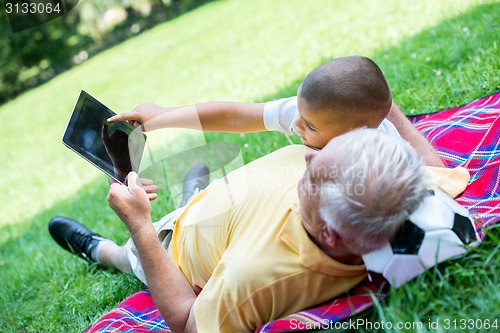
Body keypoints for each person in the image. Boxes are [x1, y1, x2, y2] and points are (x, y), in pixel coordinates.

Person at [49, 128, 431, 333]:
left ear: (329, 236)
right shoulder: (399, 185)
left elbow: (187, 323)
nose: (310, 155)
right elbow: (439, 173)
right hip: (228, 210)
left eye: (313, 173)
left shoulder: (254, 277)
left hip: (177, 246)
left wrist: (140, 224)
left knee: (130, 254)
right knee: (198, 197)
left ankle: (99, 249)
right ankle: (193, 196)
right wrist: (384, 106)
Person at [108, 55, 444, 167]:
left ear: (350, 136)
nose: (295, 123)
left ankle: (108, 253)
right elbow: (238, 116)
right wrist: (162, 116)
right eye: (298, 111)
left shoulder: (383, 161)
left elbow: (438, 177)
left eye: (308, 125)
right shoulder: (315, 113)